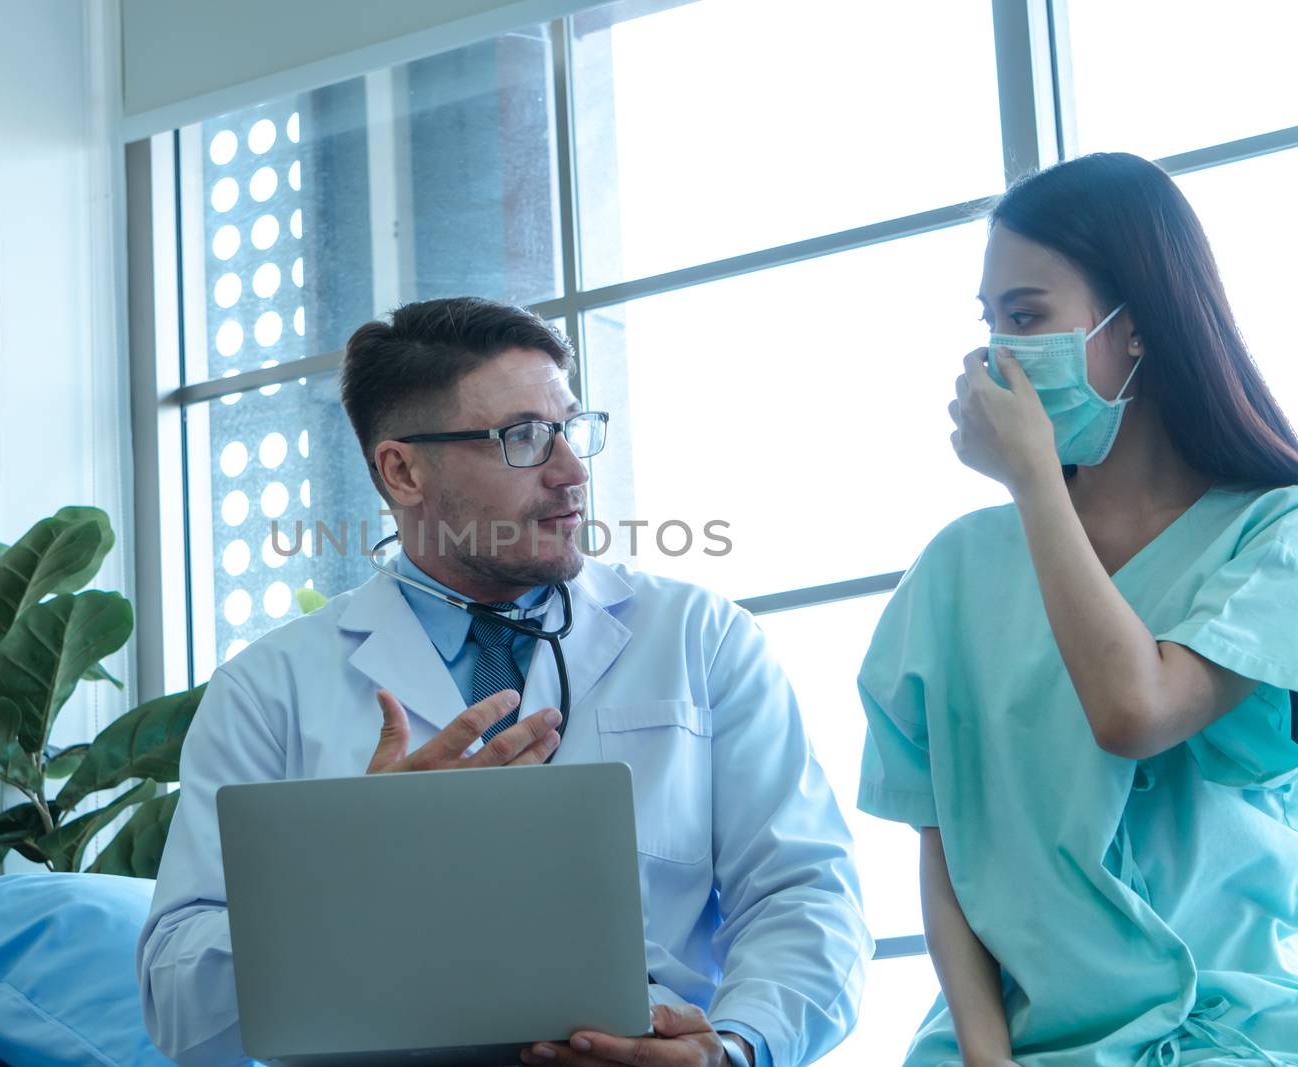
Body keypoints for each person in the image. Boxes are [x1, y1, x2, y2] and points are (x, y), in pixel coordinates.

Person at [139, 297, 871, 1067]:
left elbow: (806, 895)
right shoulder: (267, 689)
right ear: (403, 468)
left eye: (571, 428)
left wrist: (735, 1050)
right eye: (523, 437)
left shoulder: (701, 637)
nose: (572, 471)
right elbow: (179, 1005)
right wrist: (355, 868)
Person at [858, 151, 1298, 1066]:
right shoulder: (956, 569)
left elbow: (1135, 711)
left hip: (1231, 1031)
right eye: (989, 323)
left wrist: (1033, 482)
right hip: (1003, 1043)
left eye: (1026, 317)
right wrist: (984, 1056)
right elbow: (949, 853)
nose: (995, 354)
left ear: (1133, 325)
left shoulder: (1274, 533)